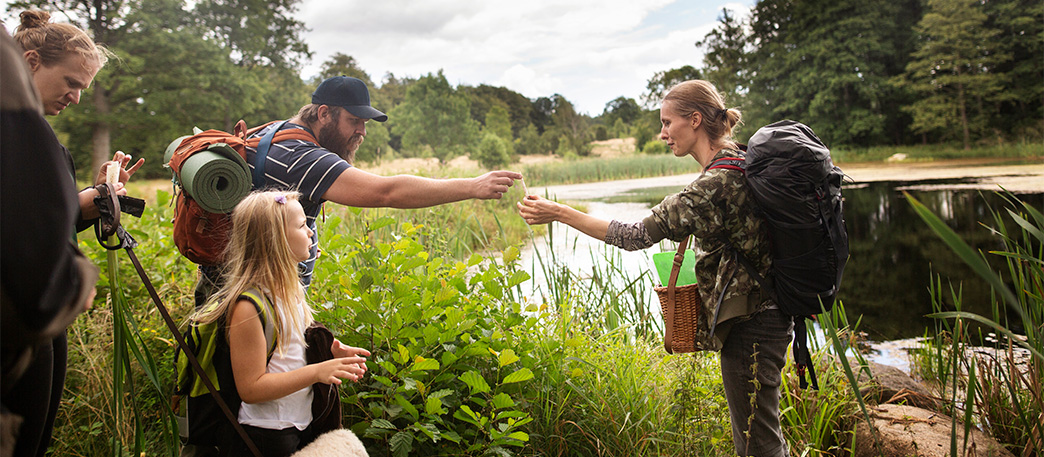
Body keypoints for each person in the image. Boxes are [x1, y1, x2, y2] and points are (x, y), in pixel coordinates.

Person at [517, 80, 793, 456]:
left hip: (752, 323)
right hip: (771, 313)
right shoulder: (742, 160)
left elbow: (633, 236)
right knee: (759, 436)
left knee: (757, 444)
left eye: (667, 122)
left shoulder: (712, 185)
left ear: (694, 120)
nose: (662, 134)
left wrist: (560, 212)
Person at [194, 76, 522, 305]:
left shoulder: (276, 131)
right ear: (324, 113)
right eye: (354, 121)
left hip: (229, 281)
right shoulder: (304, 157)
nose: (362, 132)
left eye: (365, 123)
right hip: (255, 298)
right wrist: (473, 186)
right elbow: (386, 192)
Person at [2, 10, 143, 457]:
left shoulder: (38, 136)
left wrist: (96, 197)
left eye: (83, 87)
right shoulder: (16, 135)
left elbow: (37, 218)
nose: (76, 98)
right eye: (71, 82)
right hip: (18, 321)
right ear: (30, 61)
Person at [189, 190, 370, 457]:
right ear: (275, 240)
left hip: (298, 421)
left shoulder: (289, 291)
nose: (310, 232)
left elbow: (292, 346)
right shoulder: (249, 307)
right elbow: (251, 388)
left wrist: (332, 350)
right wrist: (318, 372)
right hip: (266, 433)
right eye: (302, 225)